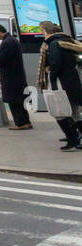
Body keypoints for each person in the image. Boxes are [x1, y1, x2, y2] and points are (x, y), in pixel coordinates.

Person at [38, 21, 82, 151]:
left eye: (42, 31)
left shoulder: (53, 43)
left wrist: (50, 75)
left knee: (59, 112)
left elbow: (56, 63)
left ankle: (72, 138)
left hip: (60, 81)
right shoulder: (67, 41)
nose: (42, 34)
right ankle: (74, 138)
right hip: (72, 80)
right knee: (75, 112)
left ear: (46, 31)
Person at [0, 24, 31, 129]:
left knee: (13, 100)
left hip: (11, 76)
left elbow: (3, 58)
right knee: (19, 100)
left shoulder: (8, 42)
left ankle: (20, 123)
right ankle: (26, 122)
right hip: (16, 75)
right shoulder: (11, 40)